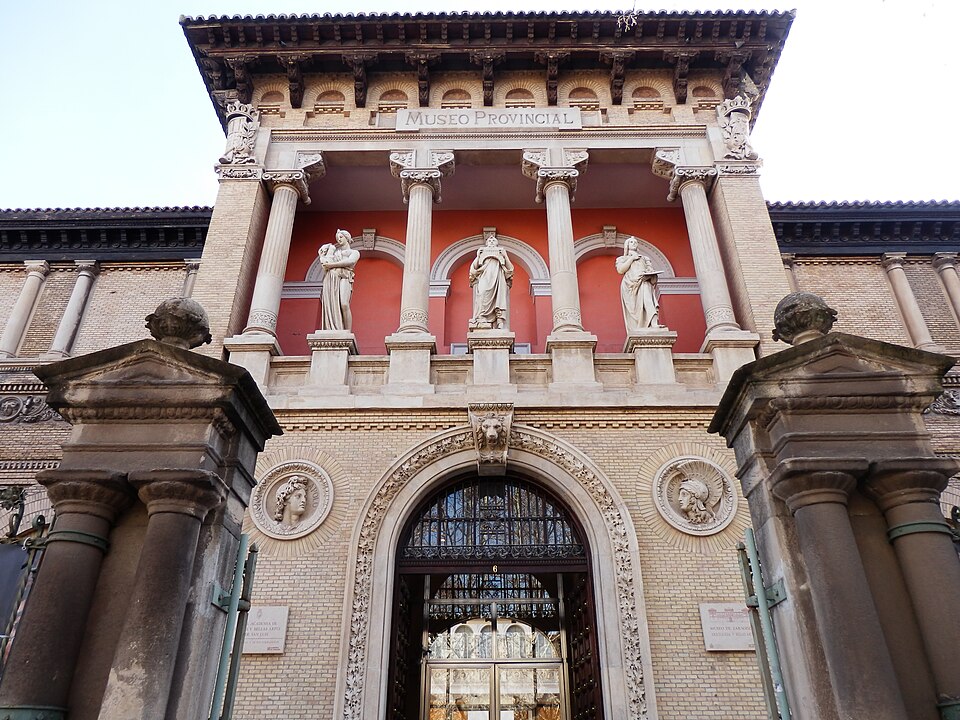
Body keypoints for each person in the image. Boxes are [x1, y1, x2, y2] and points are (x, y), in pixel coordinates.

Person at [616, 236, 662, 333]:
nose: (634, 243)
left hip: (644, 281)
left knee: (649, 301)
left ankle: (654, 324)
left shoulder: (645, 258)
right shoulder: (622, 258)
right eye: (631, 242)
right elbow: (620, 270)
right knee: (634, 309)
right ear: (627, 245)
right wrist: (632, 258)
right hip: (629, 285)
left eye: (635, 242)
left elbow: (651, 271)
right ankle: (638, 327)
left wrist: (650, 274)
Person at [468, 234, 514, 330]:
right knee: (482, 295)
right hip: (484, 277)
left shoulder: (501, 253)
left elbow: (510, 270)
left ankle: (499, 321)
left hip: (498, 278)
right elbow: (473, 269)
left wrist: (505, 255)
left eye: (493, 240)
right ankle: (481, 318)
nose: (491, 241)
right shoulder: (482, 252)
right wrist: (478, 256)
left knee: (499, 298)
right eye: (489, 240)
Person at [318, 229, 360, 331]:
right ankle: (333, 328)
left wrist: (331, 265)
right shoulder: (334, 252)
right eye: (337, 238)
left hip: (345, 277)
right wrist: (323, 255)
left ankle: (347, 331)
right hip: (332, 278)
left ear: (347, 237)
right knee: (332, 304)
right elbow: (325, 266)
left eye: (341, 237)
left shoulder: (354, 252)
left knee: (344, 304)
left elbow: (350, 262)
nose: (339, 239)